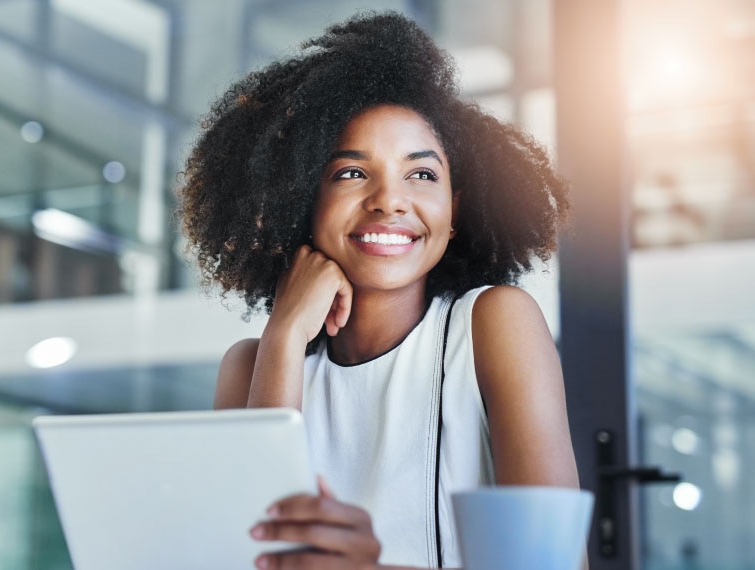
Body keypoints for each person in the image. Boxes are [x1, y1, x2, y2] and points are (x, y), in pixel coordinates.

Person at [177, 11, 579, 570]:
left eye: (422, 174)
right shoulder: (253, 364)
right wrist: (286, 334)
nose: (390, 200)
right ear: (299, 199)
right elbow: (247, 556)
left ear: (456, 209)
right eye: (351, 173)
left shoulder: (492, 323)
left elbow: (555, 563)